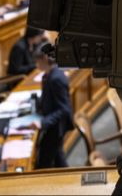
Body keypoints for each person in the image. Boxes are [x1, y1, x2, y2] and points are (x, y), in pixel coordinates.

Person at [30, 40, 74, 168]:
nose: (36, 65)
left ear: (44, 58)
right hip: (53, 124)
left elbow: (64, 109)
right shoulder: (48, 76)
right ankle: (68, 181)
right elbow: (48, 100)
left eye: (37, 61)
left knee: (43, 162)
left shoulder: (56, 79)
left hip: (56, 126)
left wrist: (42, 123)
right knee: (58, 157)